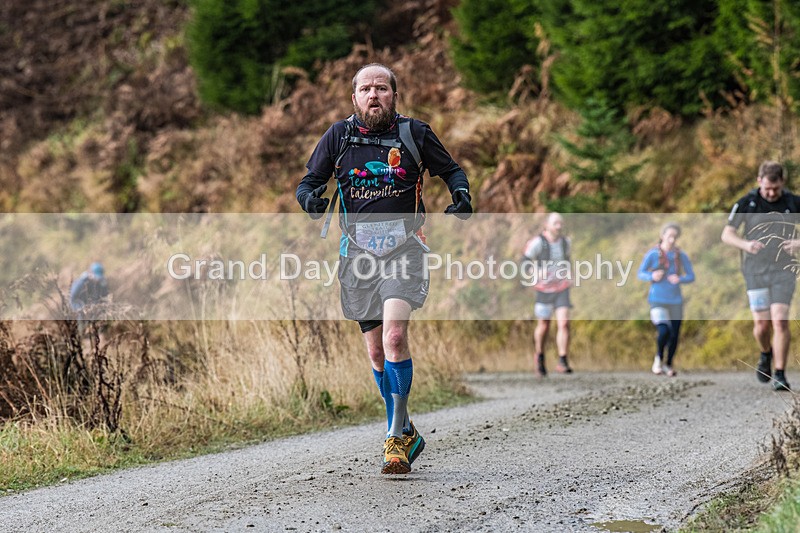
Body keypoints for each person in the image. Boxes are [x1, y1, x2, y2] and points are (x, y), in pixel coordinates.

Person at [295, 63, 472, 474]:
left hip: (405, 249)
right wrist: (310, 201)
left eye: (381, 88)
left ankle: (394, 438)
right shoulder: (338, 136)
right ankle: (406, 427)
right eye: (365, 89)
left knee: (394, 337)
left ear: (394, 94)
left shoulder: (415, 133)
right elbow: (308, 183)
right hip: (357, 256)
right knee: (376, 352)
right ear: (354, 97)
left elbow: (451, 170)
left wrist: (461, 194)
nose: (373, 95)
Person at [722, 160, 800, 391]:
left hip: (784, 269)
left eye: (775, 188)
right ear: (759, 182)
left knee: (780, 320)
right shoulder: (747, 202)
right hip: (755, 270)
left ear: (782, 182)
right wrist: (745, 245)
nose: (771, 193)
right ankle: (765, 353)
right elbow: (727, 234)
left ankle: (780, 374)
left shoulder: (793, 202)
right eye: (767, 188)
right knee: (762, 325)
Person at [637, 222, 695, 377]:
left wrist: (680, 279)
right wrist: (652, 276)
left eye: (675, 237)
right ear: (662, 236)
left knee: (674, 334)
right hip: (657, 298)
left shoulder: (681, 256)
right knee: (664, 330)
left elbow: (691, 276)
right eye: (669, 236)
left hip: (675, 300)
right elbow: (640, 273)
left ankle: (668, 364)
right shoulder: (652, 254)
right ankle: (658, 359)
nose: (672, 239)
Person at [521, 212, 573, 376]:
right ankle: (540, 356)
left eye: (561, 223)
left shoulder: (565, 242)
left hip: (562, 287)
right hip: (543, 289)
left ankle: (562, 360)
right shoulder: (538, 243)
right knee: (544, 325)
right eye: (555, 223)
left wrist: (570, 273)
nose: (559, 226)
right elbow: (524, 262)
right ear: (547, 225)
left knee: (564, 323)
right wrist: (536, 272)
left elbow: (567, 260)